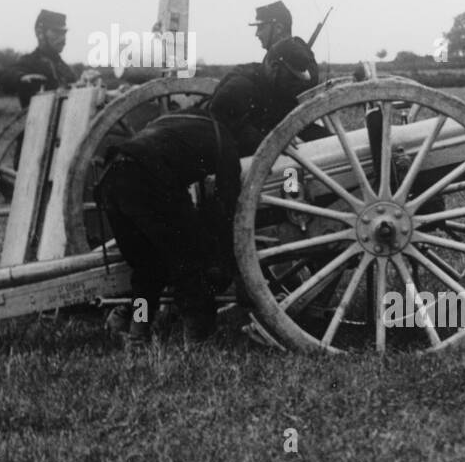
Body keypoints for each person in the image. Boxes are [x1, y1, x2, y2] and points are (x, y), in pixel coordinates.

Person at [98, 37, 320, 346]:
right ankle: (198, 342)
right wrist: (224, 258)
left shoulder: (186, 121)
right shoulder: (224, 147)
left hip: (111, 181)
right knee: (191, 265)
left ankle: (136, 333)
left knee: (148, 268)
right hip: (144, 182)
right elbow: (231, 215)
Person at [0, 9, 77, 109]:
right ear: (40, 33)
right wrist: (21, 78)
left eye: (64, 33)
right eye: (56, 32)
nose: (63, 38)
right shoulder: (29, 62)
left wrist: (84, 84)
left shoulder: (65, 69)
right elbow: (3, 77)